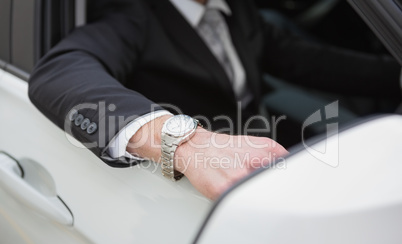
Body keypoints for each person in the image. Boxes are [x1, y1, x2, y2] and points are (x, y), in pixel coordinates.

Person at [28, 0, 401, 200]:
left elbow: (308, 61)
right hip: (210, 176)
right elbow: (59, 71)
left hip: (263, 137)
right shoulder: (133, 16)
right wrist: (186, 142)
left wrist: (394, 72)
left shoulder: (237, 10)